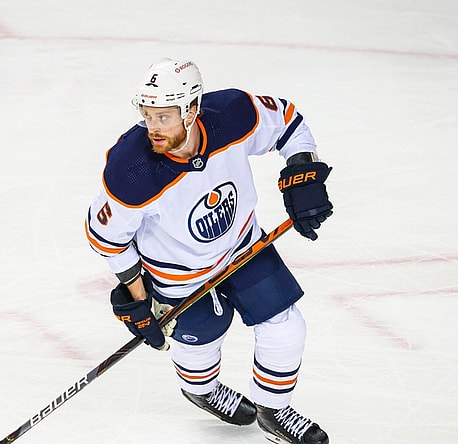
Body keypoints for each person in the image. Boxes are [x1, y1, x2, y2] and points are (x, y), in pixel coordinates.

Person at [85, 58, 333, 444]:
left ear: (192, 109)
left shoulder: (231, 114)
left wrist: (302, 172)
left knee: (286, 327)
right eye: (147, 115)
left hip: (244, 247)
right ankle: (200, 390)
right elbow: (105, 238)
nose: (153, 127)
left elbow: (287, 121)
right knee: (201, 338)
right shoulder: (131, 169)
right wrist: (139, 296)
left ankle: (272, 409)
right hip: (177, 274)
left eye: (164, 117)